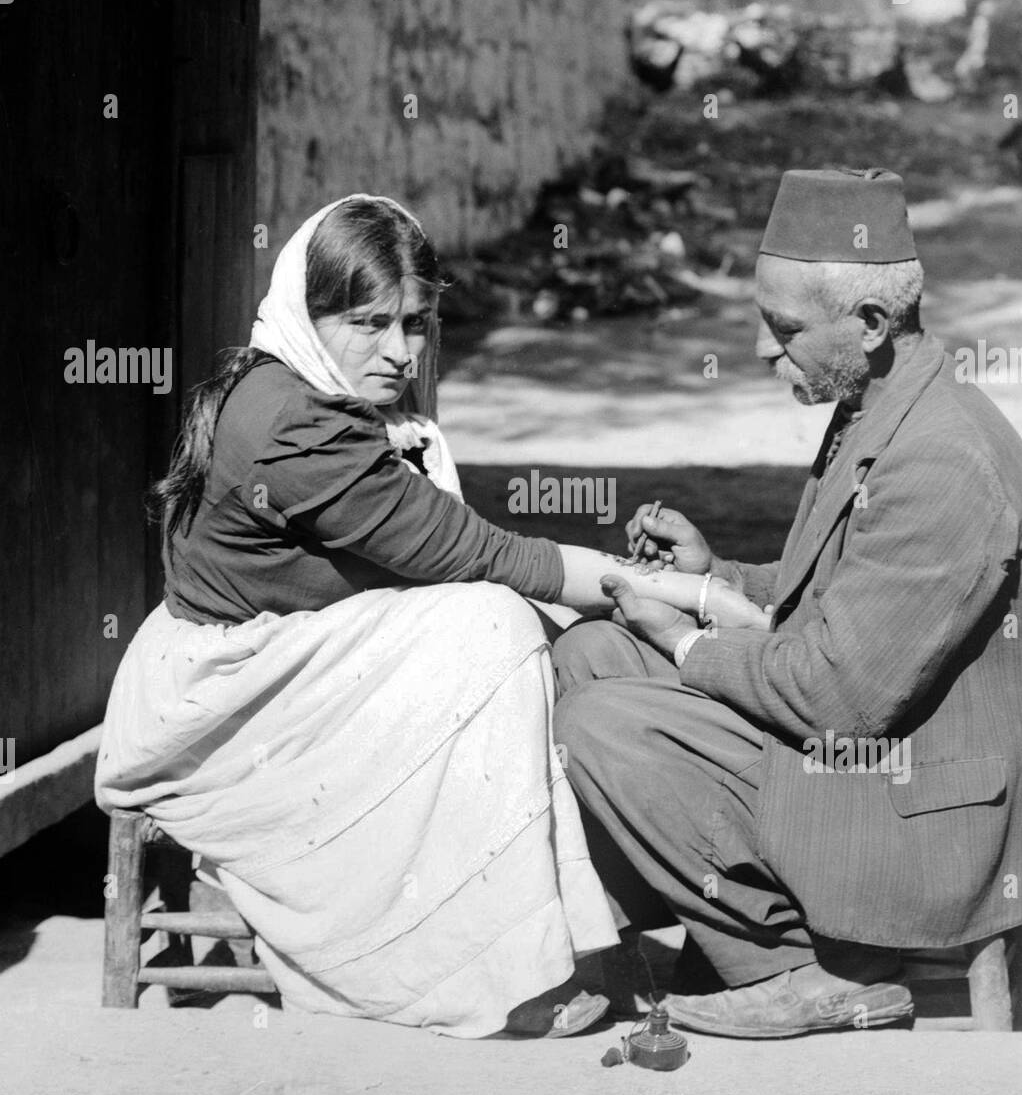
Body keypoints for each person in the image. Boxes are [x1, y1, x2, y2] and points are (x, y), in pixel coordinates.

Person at [95, 193, 770, 1039]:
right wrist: (702, 599)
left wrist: (650, 594)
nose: (397, 353)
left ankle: (538, 927)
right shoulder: (293, 429)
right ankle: (479, 965)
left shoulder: (322, 392)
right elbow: (487, 557)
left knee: (518, 628)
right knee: (491, 629)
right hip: (219, 707)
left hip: (277, 661)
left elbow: (448, 550)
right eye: (367, 323)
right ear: (310, 315)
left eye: (414, 325)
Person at [554, 168, 1022, 1039]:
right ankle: (721, 920)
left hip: (931, 815)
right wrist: (713, 572)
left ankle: (797, 968)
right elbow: (843, 592)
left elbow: (837, 695)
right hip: (890, 752)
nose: (764, 350)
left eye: (785, 328)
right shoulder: (881, 404)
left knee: (602, 722)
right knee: (592, 652)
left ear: (871, 324)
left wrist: (688, 643)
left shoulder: (941, 461)